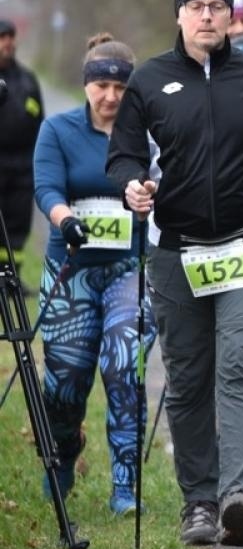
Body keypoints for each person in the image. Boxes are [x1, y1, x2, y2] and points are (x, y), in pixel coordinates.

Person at [108, 0, 243, 548]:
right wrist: (132, 185)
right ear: (179, 16)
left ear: (231, 17)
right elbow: (121, 156)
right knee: (189, 379)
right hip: (177, 251)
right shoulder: (150, 80)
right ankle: (199, 498)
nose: (208, 16)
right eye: (197, 7)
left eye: (218, 7)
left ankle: (240, 493)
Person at [32, 34, 155, 514]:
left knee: (124, 365)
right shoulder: (58, 130)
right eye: (101, 85)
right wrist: (66, 218)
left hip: (129, 267)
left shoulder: (148, 134)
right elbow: (46, 188)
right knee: (65, 381)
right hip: (72, 267)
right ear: (86, 85)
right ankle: (63, 452)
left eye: (120, 88)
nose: (110, 97)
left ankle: (125, 485)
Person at [0, 18, 46, 257]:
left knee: (17, 224)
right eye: (2, 37)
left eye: (10, 37)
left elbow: (41, 121)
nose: (7, 43)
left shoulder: (27, 79)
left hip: (23, 165)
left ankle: (11, 274)